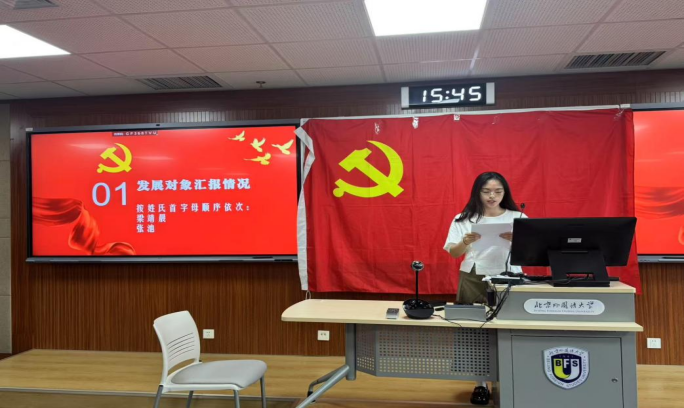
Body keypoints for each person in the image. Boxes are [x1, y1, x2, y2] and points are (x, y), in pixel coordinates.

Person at [443, 171, 526, 406]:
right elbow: (454, 253)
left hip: (509, 276)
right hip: (473, 276)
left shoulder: (518, 216)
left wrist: (517, 240)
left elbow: (531, 252)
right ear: (477, 193)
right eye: (486, 191)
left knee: (511, 327)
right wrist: (465, 242)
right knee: (473, 330)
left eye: (498, 191)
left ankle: (513, 378)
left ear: (505, 193)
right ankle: (480, 384)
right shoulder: (463, 218)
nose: (492, 196)